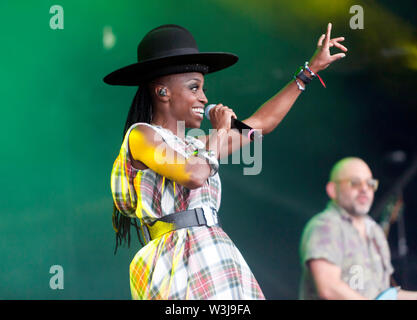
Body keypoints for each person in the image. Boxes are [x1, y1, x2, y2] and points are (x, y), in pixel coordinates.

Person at [104, 23, 346, 300]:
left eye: (203, 89)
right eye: (194, 88)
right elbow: (192, 174)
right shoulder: (142, 136)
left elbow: (261, 124)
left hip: (213, 252)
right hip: (175, 261)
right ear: (162, 92)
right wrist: (220, 131)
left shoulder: (199, 147)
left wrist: (309, 72)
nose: (204, 98)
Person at [299, 157, 417, 300]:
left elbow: (385, 294)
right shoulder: (325, 226)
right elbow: (329, 288)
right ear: (332, 190)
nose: (364, 189)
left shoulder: (375, 232)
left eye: (370, 183)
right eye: (355, 183)